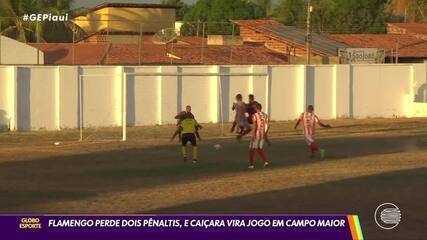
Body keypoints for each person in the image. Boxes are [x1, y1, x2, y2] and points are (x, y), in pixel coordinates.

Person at [248, 103, 270, 169]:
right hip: (262, 134)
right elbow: (268, 125)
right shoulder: (265, 115)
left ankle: (251, 165)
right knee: (259, 148)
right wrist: (265, 133)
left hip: (256, 134)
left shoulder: (255, 115)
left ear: (256, 108)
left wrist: (252, 135)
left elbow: (255, 126)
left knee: (251, 149)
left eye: (254, 108)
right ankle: (265, 162)